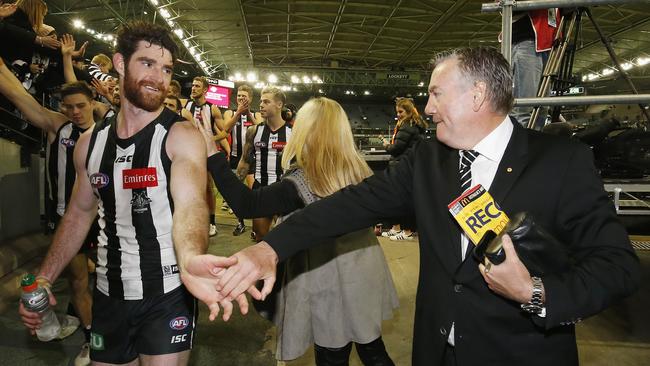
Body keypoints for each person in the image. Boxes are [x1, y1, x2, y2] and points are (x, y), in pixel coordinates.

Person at [214, 47, 639, 366]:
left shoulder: (561, 161)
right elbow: (350, 204)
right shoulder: (426, 161)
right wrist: (269, 249)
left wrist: (535, 293)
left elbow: (617, 265)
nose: (428, 107)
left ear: (477, 95)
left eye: (436, 93)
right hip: (436, 353)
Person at [17, 20, 242, 365]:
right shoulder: (90, 145)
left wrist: (193, 257)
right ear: (120, 64)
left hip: (167, 292)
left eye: (166, 69)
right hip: (109, 293)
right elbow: (78, 214)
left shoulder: (179, 136)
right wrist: (45, 277)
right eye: (147, 64)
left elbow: (191, 204)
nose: (159, 77)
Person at [199, 97, 398, 365]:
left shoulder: (301, 181)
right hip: (364, 271)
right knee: (371, 346)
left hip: (325, 278)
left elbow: (246, 204)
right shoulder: (360, 170)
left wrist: (213, 156)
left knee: (332, 354)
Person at [0, 60, 100, 364]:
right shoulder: (59, 127)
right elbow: (17, 94)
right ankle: (91, 339)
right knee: (78, 281)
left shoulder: (108, 133)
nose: (74, 112)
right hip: (69, 221)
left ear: (93, 103)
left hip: (106, 221)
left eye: (80, 106)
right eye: (67, 106)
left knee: (109, 282)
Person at [236, 86, 292, 242]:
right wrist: (235, 188)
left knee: (286, 238)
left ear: (279, 104)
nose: (261, 105)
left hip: (284, 190)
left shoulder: (294, 132)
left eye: (266, 102)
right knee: (261, 237)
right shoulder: (254, 131)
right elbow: (245, 161)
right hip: (261, 189)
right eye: (260, 101)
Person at [379, 98, 427, 241]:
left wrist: (386, 145)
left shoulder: (407, 125)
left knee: (402, 199)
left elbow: (396, 149)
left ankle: (407, 231)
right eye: (397, 112)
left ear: (408, 111)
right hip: (408, 164)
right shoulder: (415, 124)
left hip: (403, 165)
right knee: (400, 198)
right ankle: (398, 228)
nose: (398, 114)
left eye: (401, 111)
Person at [185, 75, 227, 237]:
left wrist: (209, 139)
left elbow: (224, 132)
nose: (193, 88)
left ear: (205, 90)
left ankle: (212, 222)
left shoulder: (213, 108)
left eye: (197, 86)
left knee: (208, 188)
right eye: (193, 85)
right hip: (186, 152)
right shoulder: (185, 105)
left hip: (206, 152)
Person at [222, 84, 263, 236]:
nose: (241, 98)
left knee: (254, 193)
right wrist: (238, 113)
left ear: (250, 98)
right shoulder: (229, 112)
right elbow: (225, 128)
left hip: (250, 159)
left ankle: (256, 227)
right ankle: (240, 223)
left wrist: (248, 114)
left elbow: (260, 128)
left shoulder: (256, 114)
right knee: (236, 194)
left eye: (244, 96)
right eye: (239, 95)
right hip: (234, 158)